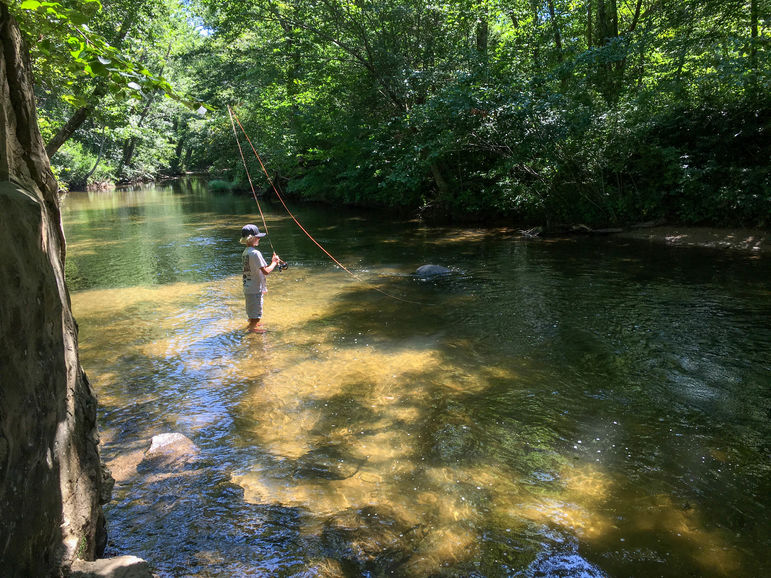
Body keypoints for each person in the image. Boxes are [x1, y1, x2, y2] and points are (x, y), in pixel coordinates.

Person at [239, 224, 280, 333]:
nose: (259, 238)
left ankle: (252, 324)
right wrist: (274, 262)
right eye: (258, 237)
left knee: (252, 312)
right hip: (255, 288)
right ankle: (252, 330)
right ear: (251, 238)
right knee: (257, 315)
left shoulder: (245, 252)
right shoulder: (255, 253)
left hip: (248, 287)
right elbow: (266, 271)